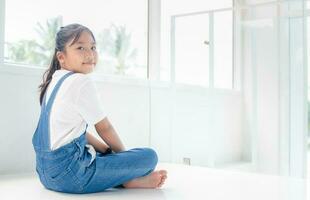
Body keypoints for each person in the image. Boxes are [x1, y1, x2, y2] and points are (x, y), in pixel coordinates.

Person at [32, 23, 167, 194]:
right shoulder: (80, 81)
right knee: (149, 156)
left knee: (103, 153)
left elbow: (76, 132)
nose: (89, 54)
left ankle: (122, 179)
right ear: (61, 57)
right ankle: (127, 180)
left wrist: (107, 151)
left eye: (93, 47)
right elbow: (104, 128)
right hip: (72, 176)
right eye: (80, 48)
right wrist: (124, 163)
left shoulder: (54, 82)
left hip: (45, 175)